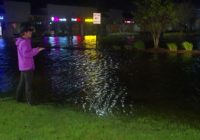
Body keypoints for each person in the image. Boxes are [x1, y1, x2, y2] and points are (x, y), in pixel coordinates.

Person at [15, 27, 45, 105]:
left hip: (23, 65)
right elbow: (27, 54)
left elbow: (27, 52)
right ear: (24, 33)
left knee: (22, 83)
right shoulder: (24, 42)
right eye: (29, 32)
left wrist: (36, 48)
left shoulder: (23, 41)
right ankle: (30, 101)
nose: (31, 33)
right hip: (27, 66)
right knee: (28, 85)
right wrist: (37, 50)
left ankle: (18, 98)